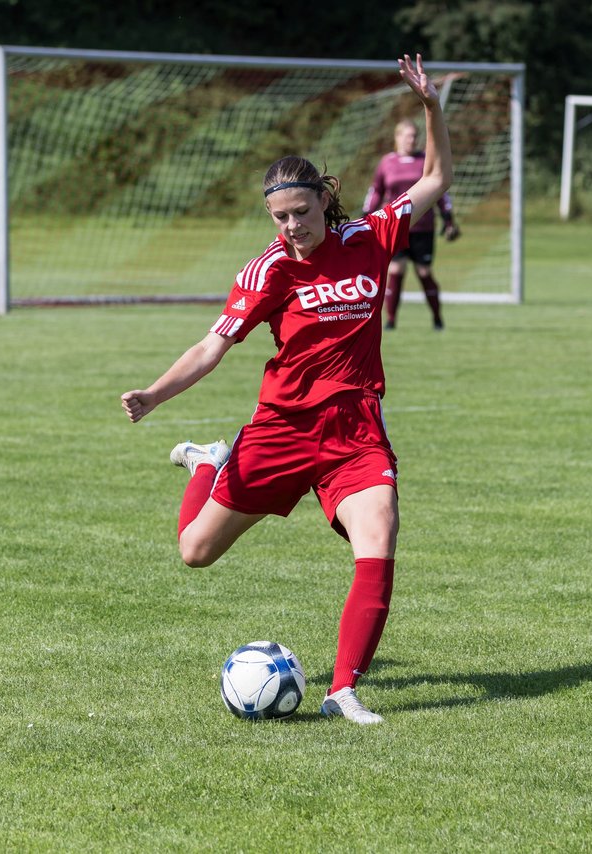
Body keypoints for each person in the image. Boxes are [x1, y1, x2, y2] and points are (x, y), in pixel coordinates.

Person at [119, 54, 453, 726]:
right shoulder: (269, 270)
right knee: (195, 553)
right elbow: (213, 345)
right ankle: (210, 461)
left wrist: (431, 107)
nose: (291, 227)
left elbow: (439, 177)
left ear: (323, 202)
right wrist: (154, 395)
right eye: (279, 218)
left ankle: (343, 691)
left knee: (379, 531)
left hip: (354, 430)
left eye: (300, 213)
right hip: (280, 431)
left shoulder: (370, 236)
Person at [362, 117, 461, 330]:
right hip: (395, 226)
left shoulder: (425, 159)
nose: (411, 140)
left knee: (424, 272)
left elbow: (440, 189)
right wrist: (366, 216)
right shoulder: (386, 162)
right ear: (397, 138)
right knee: (395, 271)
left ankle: (437, 318)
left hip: (423, 227)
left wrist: (448, 217)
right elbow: (376, 191)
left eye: (415, 136)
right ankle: (390, 320)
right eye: (407, 136)